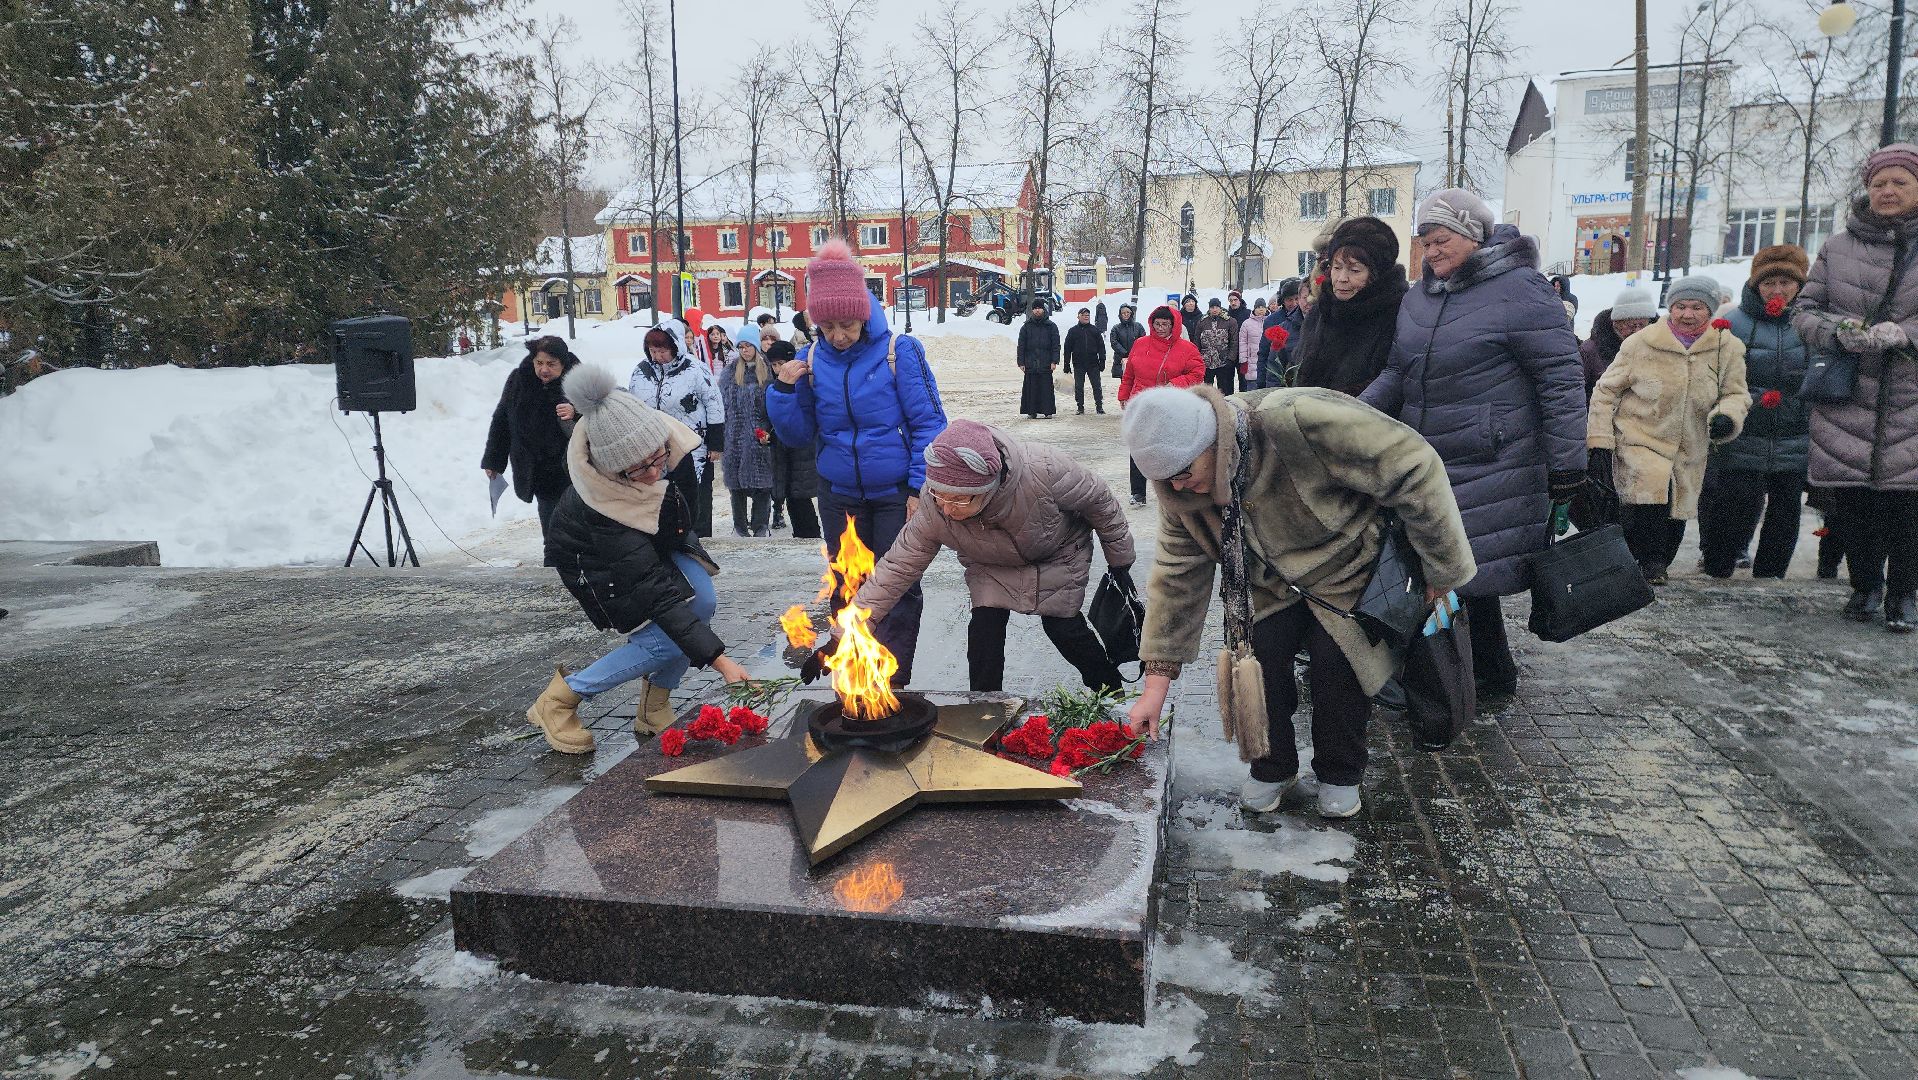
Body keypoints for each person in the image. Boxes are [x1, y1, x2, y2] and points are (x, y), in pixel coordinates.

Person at [1122, 385, 1476, 819]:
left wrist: (1441, 568)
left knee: (1337, 667)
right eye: (1165, 480)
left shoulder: (1296, 421)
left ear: (1213, 441)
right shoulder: (1180, 494)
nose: (1178, 485)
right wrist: (1155, 687)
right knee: (1259, 661)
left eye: (1183, 471)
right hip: (1267, 584)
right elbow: (1177, 577)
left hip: (1348, 571)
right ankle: (1272, 766)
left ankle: (1340, 772)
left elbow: (1413, 464)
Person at [1361, 188, 1587, 700]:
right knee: (1447, 565)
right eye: (1425, 242)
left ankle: (1472, 677)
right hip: (1429, 456)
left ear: (1473, 235)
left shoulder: (1522, 290)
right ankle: (1476, 673)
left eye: (1441, 240)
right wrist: (1347, 416)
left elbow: (1561, 379)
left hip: (1494, 456)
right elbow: (1398, 372)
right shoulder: (1420, 296)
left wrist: (1568, 463)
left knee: (1467, 569)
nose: (1431, 252)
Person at [530, 364, 752, 753]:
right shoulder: (601, 506)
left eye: (657, 459)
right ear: (613, 470)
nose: (653, 473)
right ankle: (562, 698)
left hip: (653, 540)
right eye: (637, 470)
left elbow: (679, 517)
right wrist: (721, 661)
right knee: (666, 641)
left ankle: (653, 706)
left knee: (703, 601)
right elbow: (656, 594)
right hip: (596, 562)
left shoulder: (667, 445)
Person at [768, 238, 946, 683]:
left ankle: (891, 682)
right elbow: (797, 435)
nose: (837, 336)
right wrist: (784, 391)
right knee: (846, 586)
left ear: (863, 314)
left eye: (846, 324)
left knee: (897, 585)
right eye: (827, 326)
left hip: (894, 494)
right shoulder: (810, 359)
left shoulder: (899, 352)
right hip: (838, 495)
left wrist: (917, 488)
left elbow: (929, 424)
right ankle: (854, 679)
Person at [851, 420, 1133, 693]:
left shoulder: (1044, 469)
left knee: (1063, 628)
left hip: (1055, 552)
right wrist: (849, 630)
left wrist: (1119, 562)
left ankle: (1110, 689)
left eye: (959, 499)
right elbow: (896, 568)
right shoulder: (933, 509)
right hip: (989, 561)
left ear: (987, 488)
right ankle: (984, 705)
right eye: (939, 496)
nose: (947, 509)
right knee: (985, 629)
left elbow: (1100, 502)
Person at [1793, 144, 1918, 632]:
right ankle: (1865, 585)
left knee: (1907, 504)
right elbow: (1806, 312)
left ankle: (1904, 594)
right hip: (1848, 395)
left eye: (1899, 182)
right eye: (1878, 183)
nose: (1887, 191)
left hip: (1910, 397)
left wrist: (1905, 334)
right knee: (1850, 501)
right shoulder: (1838, 246)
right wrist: (1838, 330)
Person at [1587, 274, 1750, 585]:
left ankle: (1658, 562)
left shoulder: (1725, 348)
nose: (1687, 315)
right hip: (1640, 437)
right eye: (1680, 306)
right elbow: (1606, 391)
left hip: (1691, 445)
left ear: (1711, 310)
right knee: (1646, 499)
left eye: (1697, 307)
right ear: (1669, 308)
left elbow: (1735, 393)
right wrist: (1599, 439)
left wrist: (1726, 416)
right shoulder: (1641, 343)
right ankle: (1649, 563)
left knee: (1676, 506)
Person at [1699, 246, 1815, 580]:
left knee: (1785, 509)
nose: (1777, 290)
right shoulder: (1733, 323)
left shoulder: (1811, 324)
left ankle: (1770, 575)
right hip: (1744, 432)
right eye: (1768, 283)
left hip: (1794, 432)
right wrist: (1753, 399)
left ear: (1799, 286)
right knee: (1734, 504)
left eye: (1785, 283)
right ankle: (1718, 568)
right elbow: (1715, 376)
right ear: (1756, 285)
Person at [1291, 216, 1409, 398]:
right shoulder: (1323, 309)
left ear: (1376, 274)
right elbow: (1297, 366)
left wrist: (1332, 407)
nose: (1341, 278)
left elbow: (1389, 384)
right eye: (1337, 267)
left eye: (1354, 270)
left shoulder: (1396, 315)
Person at [481, 335, 581, 548]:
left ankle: (575, 561)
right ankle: (554, 560)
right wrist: (494, 461)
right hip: (537, 469)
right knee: (550, 525)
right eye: (539, 363)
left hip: (571, 470)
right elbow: (502, 420)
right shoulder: (519, 380)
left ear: (563, 363)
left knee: (575, 526)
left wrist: (576, 411)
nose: (544, 369)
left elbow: (599, 416)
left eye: (551, 364)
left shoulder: (579, 381)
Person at [630, 323, 724, 537]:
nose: (657, 357)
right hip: (654, 447)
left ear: (675, 347)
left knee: (695, 496)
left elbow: (714, 403)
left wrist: (716, 443)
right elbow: (633, 405)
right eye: (653, 351)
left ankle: (699, 539)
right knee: (661, 497)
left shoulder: (695, 369)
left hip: (691, 445)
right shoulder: (641, 372)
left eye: (662, 351)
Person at [1117, 305, 1207, 506]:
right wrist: (1124, 395)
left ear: (1174, 326)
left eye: (1165, 324)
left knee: (1169, 449)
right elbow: (1129, 373)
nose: (1160, 328)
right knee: (1138, 448)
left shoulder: (1187, 348)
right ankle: (1138, 493)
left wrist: (1175, 384)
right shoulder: (1140, 344)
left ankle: (1172, 491)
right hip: (1142, 403)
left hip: (1170, 405)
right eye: (1157, 324)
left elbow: (1197, 373)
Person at [762, 337, 821, 539]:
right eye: (774, 365)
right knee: (788, 494)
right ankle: (800, 533)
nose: (778, 369)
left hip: (801, 450)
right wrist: (764, 434)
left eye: (781, 363)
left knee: (800, 495)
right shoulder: (772, 387)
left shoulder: (804, 384)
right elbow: (765, 417)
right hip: (780, 451)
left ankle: (810, 535)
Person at [720, 333, 777, 537]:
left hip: (758, 437)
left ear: (755, 346)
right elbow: (722, 406)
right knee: (736, 486)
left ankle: (761, 526)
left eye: (748, 346)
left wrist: (768, 431)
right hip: (734, 438)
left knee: (762, 485)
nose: (744, 350)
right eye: (741, 347)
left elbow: (773, 406)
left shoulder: (767, 372)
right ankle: (739, 527)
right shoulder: (729, 372)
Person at [1579, 285, 1656, 394]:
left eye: (1643, 325)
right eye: (1632, 325)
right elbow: (1575, 391)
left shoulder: (1658, 347)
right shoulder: (1590, 351)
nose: (1638, 331)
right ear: (1616, 322)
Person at [1017, 299, 1060, 419]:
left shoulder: (1051, 326)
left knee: (1046, 389)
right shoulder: (1026, 327)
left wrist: (1054, 361)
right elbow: (1021, 346)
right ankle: (1031, 411)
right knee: (1031, 389)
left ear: (1043, 309)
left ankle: (1048, 411)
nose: (1037, 310)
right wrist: (1021, 362)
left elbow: (1055, 345)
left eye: (1039, 308)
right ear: (1032, 310)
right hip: (1030, 362)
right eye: (1035, 308)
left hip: (1046, 362)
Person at [1063, 307, 1108, 414]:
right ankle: (1080, 407)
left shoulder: (1095, 330)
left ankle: (1099, 406)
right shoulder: (1073, 331)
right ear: (1078, 317)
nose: (1086, 317)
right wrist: (1066, 364)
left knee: (1096, 386)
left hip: (1093, 363)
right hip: (1079, 364)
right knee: (1079, 387)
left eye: (1087, 315)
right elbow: (1067, 349)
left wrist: (1102, 361)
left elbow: (1101, 347)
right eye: (1083, 315)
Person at [1259, 279, 1303, 387]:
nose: (1294, 303)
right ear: (1283, 301)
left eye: (1297, 298)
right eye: (1289, 300)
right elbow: (1264, 354)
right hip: (1280, 380)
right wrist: (1261, 382)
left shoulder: (1308, 317)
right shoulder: (1272, 321)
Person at [1197, 298, 1239, 394]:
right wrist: (1199, 359)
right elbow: (1197, 341)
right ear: (1209, 308)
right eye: (1212, 307)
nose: (1214, 309)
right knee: (1206, 391)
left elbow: (1234, 341)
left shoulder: (1230, 321)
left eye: (1217, 307)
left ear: (1220, 308)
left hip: (1223, 362)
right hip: (1207, 363)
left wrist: (1230, 359)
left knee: (1224, 390)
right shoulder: (1202, 322)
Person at [1109, 302, 1146, 384]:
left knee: (1137, 382)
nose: (1126, 314)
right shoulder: (1116, 328)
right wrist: (1125, 353)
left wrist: (1134, 353)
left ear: (1131, 313)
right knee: (1125, 382)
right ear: (1120, 314)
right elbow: (1114, 342)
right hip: (1122, 359)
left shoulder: (1138, 326)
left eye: (1128, 312)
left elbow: (1143, 341)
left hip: (1136, 359)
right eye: (1123, 313)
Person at [1237, 298, 1270, 391]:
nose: (1261, 309)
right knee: (1252, 390)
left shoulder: (1271, 321)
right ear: (1254, 309)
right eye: (1258, 307)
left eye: (1263, 307)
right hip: (1252, 362)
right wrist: (1243, 361)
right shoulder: (1246, 324)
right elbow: (1242, 343)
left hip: (1267, 363)